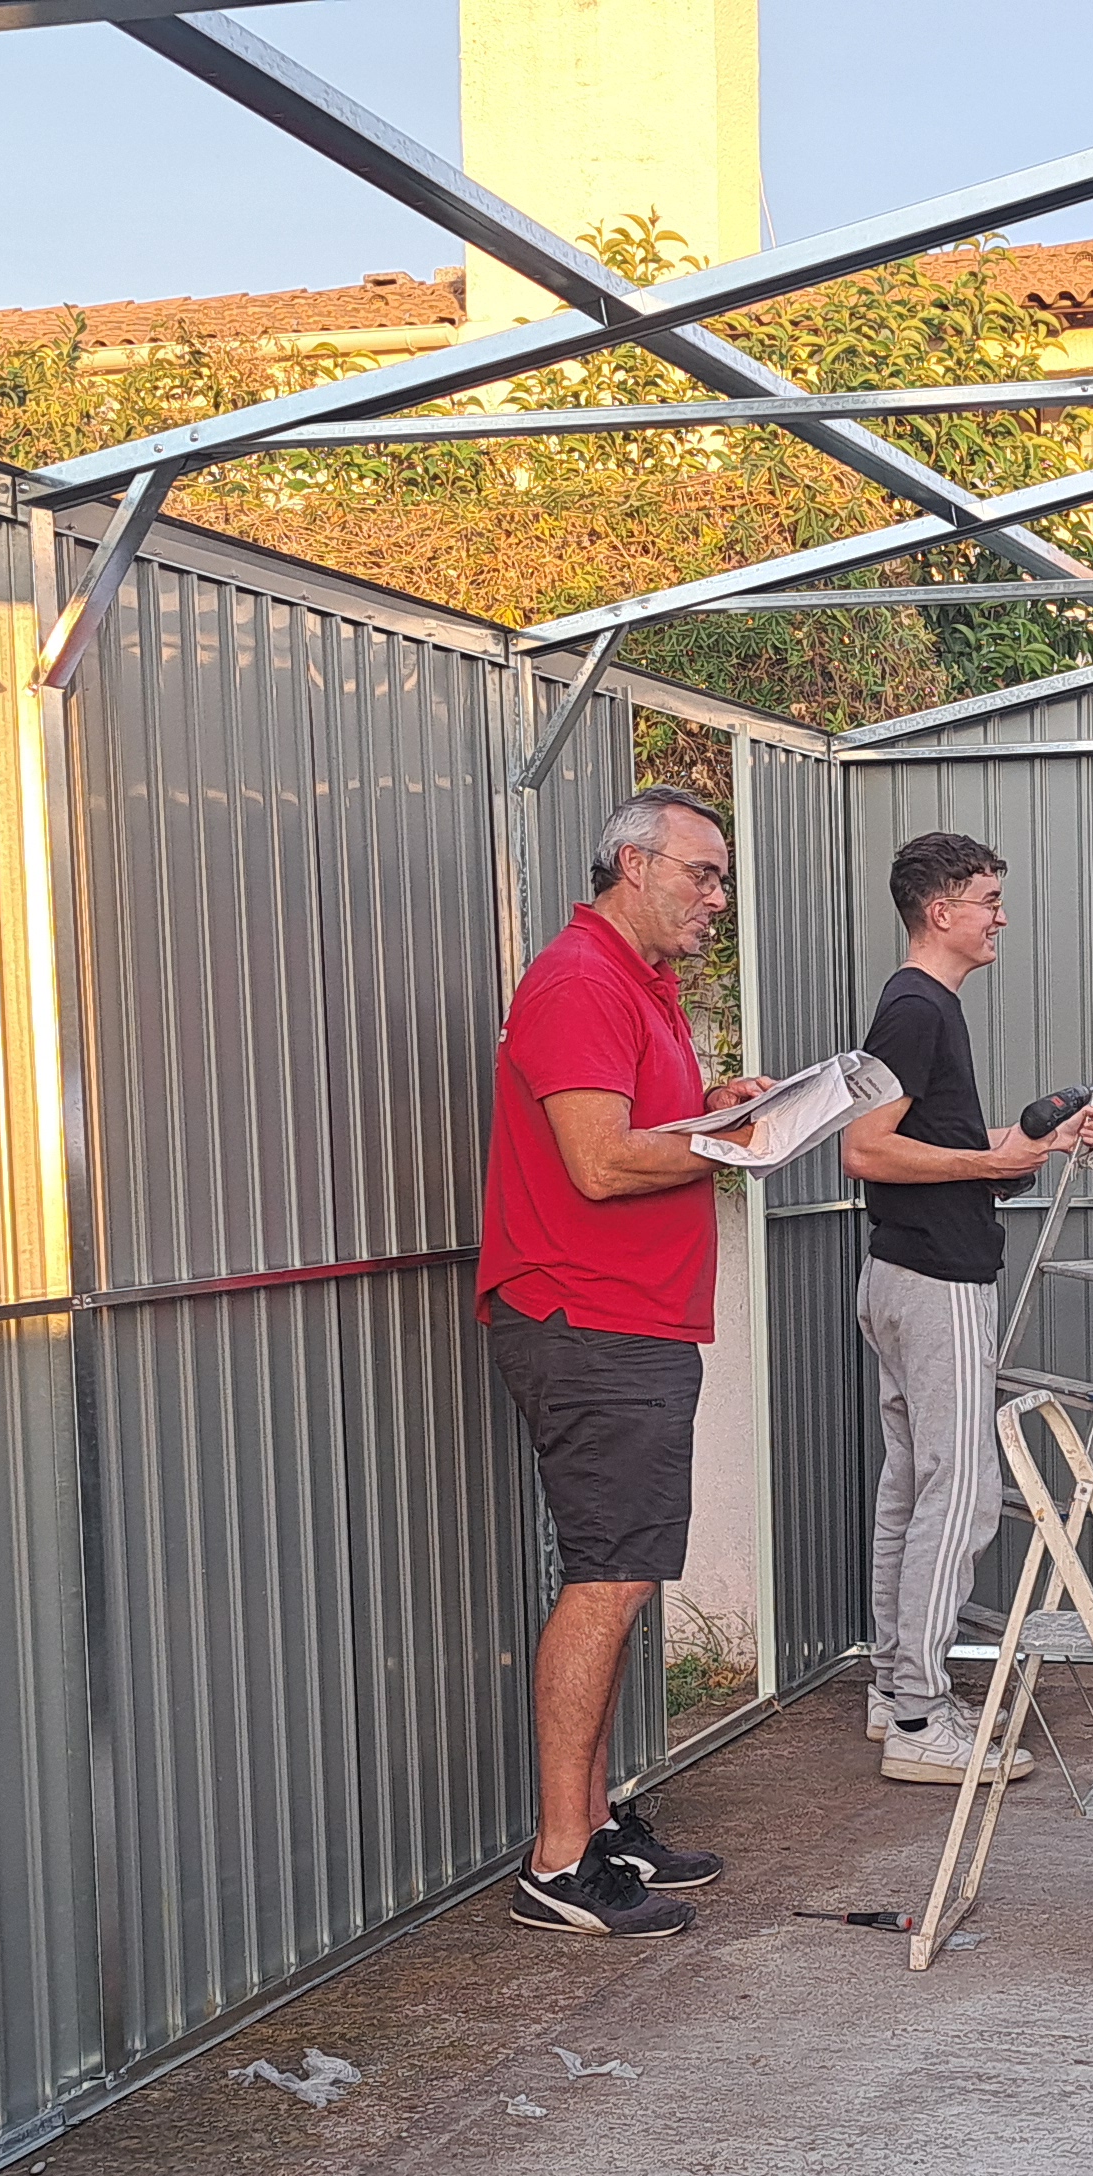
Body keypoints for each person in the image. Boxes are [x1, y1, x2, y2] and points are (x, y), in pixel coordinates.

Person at [479, 786, 771, 1941]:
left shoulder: (638, 985)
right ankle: (559, 1863)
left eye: (720, 878)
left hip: (632, 1320)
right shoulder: (580, 981)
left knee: (625, 1573)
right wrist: (725, 1138)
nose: (716, 898)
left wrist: (714, 1109)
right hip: (589, 1319)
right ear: (633, 865)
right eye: (702, 873)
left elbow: (643, 1129)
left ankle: (595, 1823)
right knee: (606, 1577)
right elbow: (598, 1163)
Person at [838, 831, 1093, 1782]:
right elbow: (866, 1150)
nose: (1000, 917)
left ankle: (893, 1693)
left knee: (911, 1487)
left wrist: (1028, 1144)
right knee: (961, 1495)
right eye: (988, 900)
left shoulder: (921, 1005)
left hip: (903, 1272)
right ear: (941, 910)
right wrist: (991, 1161)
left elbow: (926, 1144)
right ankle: (920, 1720)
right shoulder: (917, 1008)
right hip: (936, 1280)